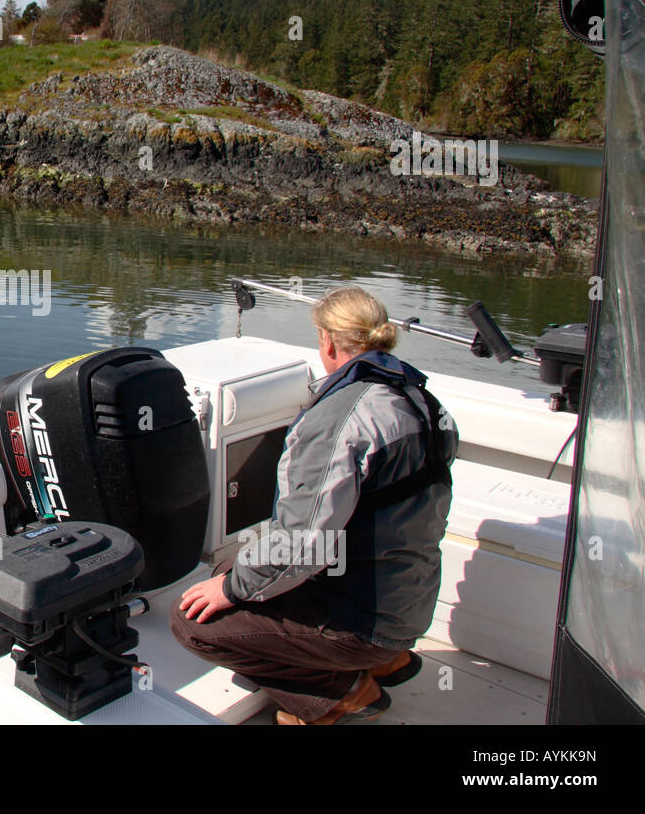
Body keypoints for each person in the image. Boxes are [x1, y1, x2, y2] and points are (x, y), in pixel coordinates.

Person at [169, 286, 458, 724]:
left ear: (326, 341)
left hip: (365, 621)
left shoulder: (340, 419)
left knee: (193, 620)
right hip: (409, 605)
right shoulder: (425, 403)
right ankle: (387, 661)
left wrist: (229, 588)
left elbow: (303, 545)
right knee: (239, 574)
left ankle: (343, 694)